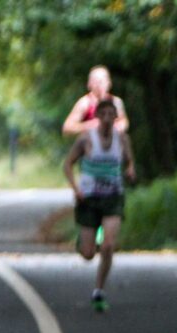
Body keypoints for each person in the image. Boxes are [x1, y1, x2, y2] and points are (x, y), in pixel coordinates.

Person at [62, 99, 136, 312]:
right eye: (102, 114)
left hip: (113, 197)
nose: (106, 118)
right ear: (96, 117)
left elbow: (130, 161)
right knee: (88, 254)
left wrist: (130, 170)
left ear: (116, 117)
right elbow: (67, 165)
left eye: (110, 114)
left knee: (108, 246)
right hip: (89, 199)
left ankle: (99, 290)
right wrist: (76, 189)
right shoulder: (86, 139)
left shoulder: (122, 139)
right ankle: (84, 242)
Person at [62, 66, 130, 136]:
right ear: (89, 84)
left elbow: (124, 121)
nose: (99, 84)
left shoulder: (116, 102)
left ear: (109, 83)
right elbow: (67, 128)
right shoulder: (84, 103)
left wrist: (119, 126)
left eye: (102, 80)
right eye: (95, 81)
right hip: (90, 144)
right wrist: (89, 125)